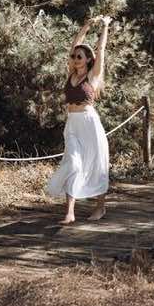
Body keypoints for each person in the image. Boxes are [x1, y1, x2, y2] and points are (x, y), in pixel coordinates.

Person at [46, 15, 112, 224]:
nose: (75, 59)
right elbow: (75, 44)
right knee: (73, 163)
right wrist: (86, 25)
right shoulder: (71, 73)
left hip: (89, 123)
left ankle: (100, 207)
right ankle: (70, 212)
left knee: (96, 164)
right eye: (74, 56)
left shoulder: (92, 76)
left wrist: (105, 27)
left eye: (80, 57)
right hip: (72, 123)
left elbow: (101, 51)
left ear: (88, 60)